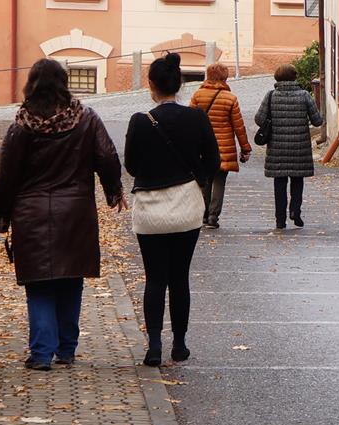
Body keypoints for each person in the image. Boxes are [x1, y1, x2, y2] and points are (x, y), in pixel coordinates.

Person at [0, 58, 123, 371]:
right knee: (71, 281)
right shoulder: (86, 118)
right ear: (64, 82)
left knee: (39, 285)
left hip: (32, 215)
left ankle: (41, 353)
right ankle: (66, 350)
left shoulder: (21, 125)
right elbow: (107, 156)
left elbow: (6, 178)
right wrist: (113, 191)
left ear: (31, 85)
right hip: (75, 212)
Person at [124, 53, 219, 366]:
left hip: (150, 210)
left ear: (151, 85)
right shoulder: (196, 118)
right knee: (180, 278)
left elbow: (132, 165)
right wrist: (197, 179)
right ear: (180, 84)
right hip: (186, 207)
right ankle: (179, 344)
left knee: (154, 279)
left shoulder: (140, 121)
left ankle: (154, 346)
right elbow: (214, 162)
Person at [256, 64, 323, 230]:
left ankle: (280, 220)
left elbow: (259, 119)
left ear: (276, 78)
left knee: (279, 183)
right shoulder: (305, 95)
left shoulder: (271, 96)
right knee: (297, 180)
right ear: (295, 77)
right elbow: (317, 121)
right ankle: (295, 211)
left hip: (277, 147)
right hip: (299, 146)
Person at [187, 62, 249, 228]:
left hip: (202, 147)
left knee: (205, 180)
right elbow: (239, 126)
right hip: (224, 148)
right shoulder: (230, 98)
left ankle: (204, 214)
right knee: (219, 181)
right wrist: (245, 149)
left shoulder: (198, 95)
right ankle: (214, 216)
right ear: (224, 77)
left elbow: (189, 122)